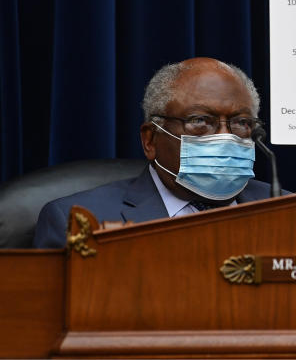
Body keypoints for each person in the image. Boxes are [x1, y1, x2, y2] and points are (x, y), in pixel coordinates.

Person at [32, 57, 276, 248]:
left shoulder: (291, 211)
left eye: (241, 122)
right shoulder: (75, 222)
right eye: (201, 120)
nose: (225, 136)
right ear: (150, 139)